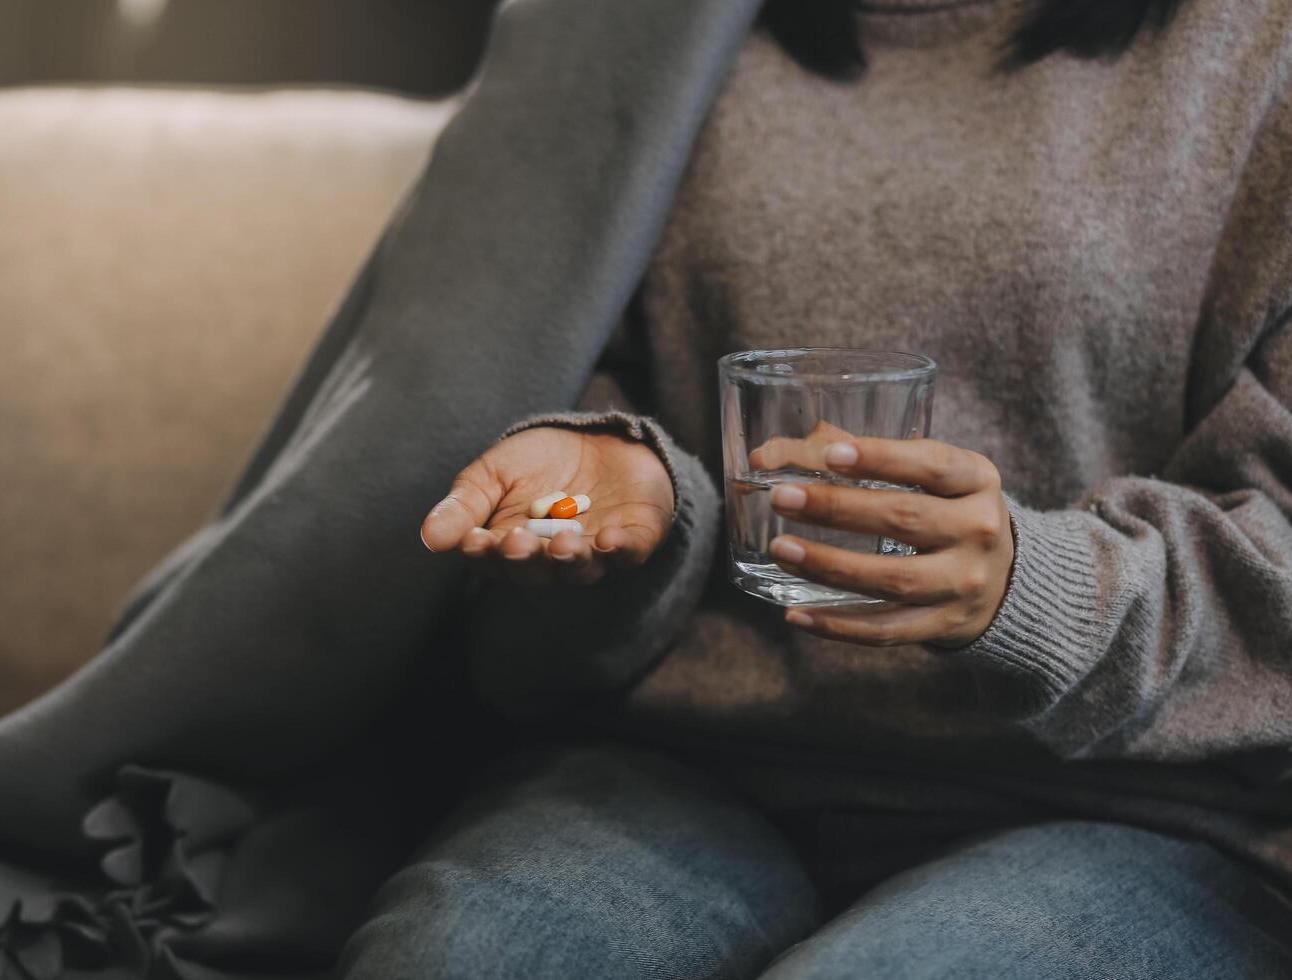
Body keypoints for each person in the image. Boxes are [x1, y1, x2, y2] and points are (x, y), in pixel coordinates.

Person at [343, 0, 1292, 976]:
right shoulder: (640, 38)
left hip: (1131, 807)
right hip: (687, 763)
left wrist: (1039, 588)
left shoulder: (1256, 49)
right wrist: (636, 488)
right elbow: (537, 404)